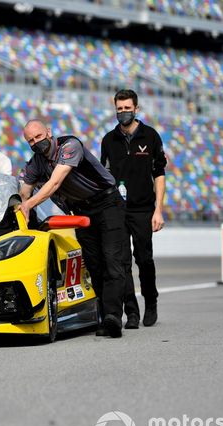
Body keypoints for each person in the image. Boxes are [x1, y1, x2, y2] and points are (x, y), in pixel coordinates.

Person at [19, 119, 129, 338]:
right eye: (30, 141)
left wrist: (29, 205)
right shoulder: (36, 162)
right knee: (94, 263)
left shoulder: (70, 146)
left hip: (107, 203)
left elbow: (55, 183)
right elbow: (24, 190)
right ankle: (106, 316)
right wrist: (22, 204)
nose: (35, 143)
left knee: (112, 259)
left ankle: (114, 316)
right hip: (81, 211)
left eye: (38, 137)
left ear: (48, 132)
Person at [101, 89, 168, 327]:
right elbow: (105, 175)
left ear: (136, 109)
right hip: (117, 210)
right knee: (122, 262)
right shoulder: (109, 140)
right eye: (119, 109)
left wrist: (158, 210)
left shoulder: (150, 136)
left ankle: (151, 301)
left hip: (143, 209)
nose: (123, 112)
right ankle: (131, 312)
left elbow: (159, 175)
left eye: (127, 108)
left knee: (144, 259)